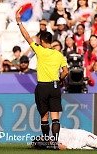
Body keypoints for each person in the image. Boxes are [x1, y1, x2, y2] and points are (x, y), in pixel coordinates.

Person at [16, 11, 68, 149]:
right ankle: (55, 142)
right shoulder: (59, 54)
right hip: (55, 86)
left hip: (43, 87)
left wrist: (19, 22)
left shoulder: (40, 50)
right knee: (55, 117)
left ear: (42, 41)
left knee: (44, 116)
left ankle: (46, 142)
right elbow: (66, 71)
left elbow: (26, 36)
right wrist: (60, 80)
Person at [32, 128, 97, 150]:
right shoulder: (53, 144)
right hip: (79, 145)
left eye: (40, 138)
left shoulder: (50, 130)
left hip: (82, 136)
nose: (41, 139)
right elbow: (63, 147)